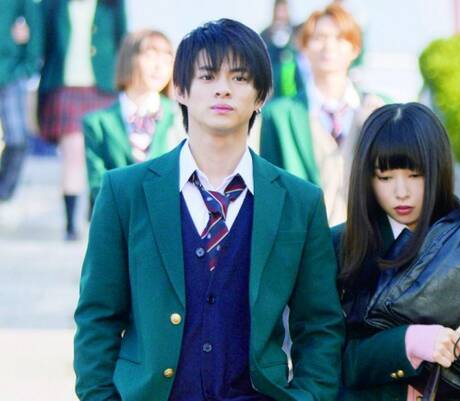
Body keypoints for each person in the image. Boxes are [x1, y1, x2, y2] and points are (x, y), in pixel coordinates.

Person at [74, 19, 345, 401]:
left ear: (261, 95)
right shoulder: (124, 192)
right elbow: (97, 317)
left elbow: (320, 325)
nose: (223, 88)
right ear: (180, 89)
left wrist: (306, 397)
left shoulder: (300, 202)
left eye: (239, 77)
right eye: (207, 76)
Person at [333, 103, 460, 401]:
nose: (401, 192)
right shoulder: (339, 246)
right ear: (366, 177)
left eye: (415, 175)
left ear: (438, 170)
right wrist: (405, 343)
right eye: (385, 177)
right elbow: (325, 355)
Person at [260, 3, 386, 225]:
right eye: (319, 38)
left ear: (355, 48)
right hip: (306, 239)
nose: (329, 46)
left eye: (340, 38)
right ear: (304, 47)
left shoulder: (379, 108)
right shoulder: (279, 116)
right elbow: (270, 194)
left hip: (369, 238)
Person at [38, 0, 127, 239]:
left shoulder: (113, 5)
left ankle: (96, 212)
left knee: (105, 156)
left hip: (104, 88)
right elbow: (41, 42)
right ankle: (71, 225)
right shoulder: (52, 5)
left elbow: (123, 43)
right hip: (65, 87)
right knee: (74, 154)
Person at [83, 29, 182, 211]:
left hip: (169, 219)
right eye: (150, 56)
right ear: (129, 59)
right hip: (118, 220)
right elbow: (98, 185)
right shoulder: (97, 123)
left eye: (167, 59)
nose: (159, 66)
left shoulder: (180, 116)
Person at [0, 0, 43, 201]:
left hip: (11, 74)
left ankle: (4, 191)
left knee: (17, 138)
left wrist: (27, 68)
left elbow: (34, 30)